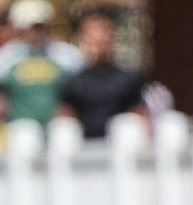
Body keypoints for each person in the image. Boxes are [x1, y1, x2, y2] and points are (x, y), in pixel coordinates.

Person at [0, 0, 82, 125]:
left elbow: (79, 89)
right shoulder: (3, 57)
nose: (34, 31)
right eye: (30, 27)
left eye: (39, 26)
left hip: (57, 122)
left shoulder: (67, 54)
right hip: (20, 124)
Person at [56, 10, 146, 140]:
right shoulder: (73, 82)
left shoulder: (129, 79)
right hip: (83, 144)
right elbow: (65, 114)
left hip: (119, 144)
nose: (99, 42)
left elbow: (139, 114)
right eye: (93, 37)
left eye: (103, 35)